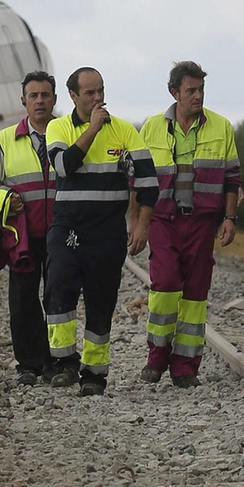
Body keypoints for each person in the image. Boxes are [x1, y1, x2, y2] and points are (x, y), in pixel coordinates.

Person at [45, 68, 156, 395]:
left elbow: (148, 181)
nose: (97, 99)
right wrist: (92, 130)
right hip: (67, 229)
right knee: (59, 291)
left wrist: (141, 224)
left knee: (100, 302)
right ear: (74, 96)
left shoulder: (122, 130)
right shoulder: (58, 127)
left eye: (100, 91)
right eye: (89, 93)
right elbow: (64, 166)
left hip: (106, 232)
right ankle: (64, 363)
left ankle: (94, 374)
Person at [138, 61, 240, 388]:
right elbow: (137, 180)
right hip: (163, 219)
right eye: (191, 90)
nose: (198, 96)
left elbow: (232, 178)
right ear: (174, 93)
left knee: (196, 294)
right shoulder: (151, 128)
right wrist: (135, 223)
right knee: (165, 284)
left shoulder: (221, 127)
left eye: (201, 90)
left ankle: (185, 367)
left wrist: (229, 219)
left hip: (202, 222)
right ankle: (157, 356)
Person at [0, 71, 58, 385]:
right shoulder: (6, 139)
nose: (39, 101)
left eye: (45, 95)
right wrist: (6, 198)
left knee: (57, 300)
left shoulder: (66, 134)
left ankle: (56, 361)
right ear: (23, 101)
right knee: (23, 298)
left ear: (54, 99)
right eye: (33, 96)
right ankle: (28, 364)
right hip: (22, 235)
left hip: (60, 234)